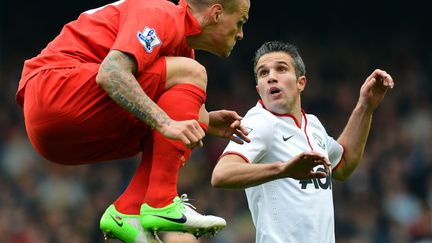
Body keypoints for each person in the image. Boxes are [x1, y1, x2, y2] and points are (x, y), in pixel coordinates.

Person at [16, 0, 251, 242]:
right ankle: (162, 202)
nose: (242, 34)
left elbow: (182, 113)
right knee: (190, 80)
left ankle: (128, 210)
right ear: (216, 13)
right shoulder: (160, 13)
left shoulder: (181, 50)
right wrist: (165, 122)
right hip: (55, 90)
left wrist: (208, 122)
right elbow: (112, 73)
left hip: (55, 137)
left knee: (189, 123)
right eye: (240, 22)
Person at [211, 41, 394, 243]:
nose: (271, 77)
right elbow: (221, 174)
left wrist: (365, 107)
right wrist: (284, 170)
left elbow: (343, 164)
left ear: (301, 82)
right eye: (263, 73)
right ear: (258, 88)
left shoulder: (313, 124)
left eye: (281, 69)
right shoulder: (260, 122)